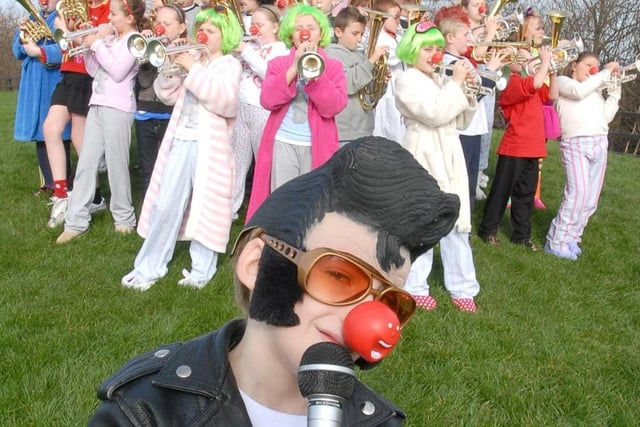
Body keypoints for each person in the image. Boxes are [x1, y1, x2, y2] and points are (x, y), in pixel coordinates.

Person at [87, 136, 460, 425]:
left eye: (387, 301)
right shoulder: (145, 411)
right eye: (339, 274)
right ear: (257, 264)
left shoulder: (376, 422)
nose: (365, 320)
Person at [120, 5, 243, 290]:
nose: (203, 35)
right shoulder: (196, 58)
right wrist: (169, 68)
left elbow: (225, 102)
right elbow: (167, 96)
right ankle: (149, 266)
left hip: (209, 148)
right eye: (200, 29)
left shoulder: (230, 65)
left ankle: (201, 270)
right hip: (182, 139)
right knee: (165, 203)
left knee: (206, 207)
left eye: (210, 31)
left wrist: (192, 67)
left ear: (224, 35)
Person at [394, 21, 481, 312]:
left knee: (457, 223)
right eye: (427, 49)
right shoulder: (406, 81)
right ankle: (415, 284)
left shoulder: (439, 80)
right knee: (425, 222)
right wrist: (456, 85)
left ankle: (464, 286)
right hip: (424, 152)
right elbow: (434, 114)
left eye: (437, 49)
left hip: (450, 151)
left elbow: (460, 121)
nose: (434, 55)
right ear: (412, 50)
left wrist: (469, 94)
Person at [246, 4, 347, 220]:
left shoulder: (334, 67)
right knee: (282, 203)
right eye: (299, 27)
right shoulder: (278, 64)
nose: (305, 32)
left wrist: (316, 78)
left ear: (321, 33)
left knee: (313, 206)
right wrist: (293, 69)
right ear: (291, 34)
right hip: (283, 142)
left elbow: (333, 107)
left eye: (311, 27)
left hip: (317, 145)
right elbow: (268, 100)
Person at [56, 0, 145, 244]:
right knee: (86, 163)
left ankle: (124, 218)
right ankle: (75, 221)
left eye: (114, 14)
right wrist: (88, 48)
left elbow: (118, 72)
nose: (110, 18)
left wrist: (96, 42)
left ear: (129, 18)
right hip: (97, 103)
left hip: (119, 108)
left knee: (117, 164)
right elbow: (96, 70)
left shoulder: (134, 41)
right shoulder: (111, 39)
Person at [477, 20, 559, 251]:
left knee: (525, 194)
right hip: (515, 146)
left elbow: (552, 94)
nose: (524, 62)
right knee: (501, 192)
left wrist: (553, 70)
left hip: (534, 146)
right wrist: (542, 63)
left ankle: (521, 235)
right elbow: (532, 83)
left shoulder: (532, 80)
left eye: (525, 58)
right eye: (519, 59)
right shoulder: (512, 83)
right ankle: (488, 229)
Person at [545, 53, 621, 260]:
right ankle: (556, 241)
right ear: (574, 66)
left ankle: (572, 237)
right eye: (588, 65)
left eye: (596, 67)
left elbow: (605, 117)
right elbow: (578, 92)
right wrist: (605, 72)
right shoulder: (563, 82)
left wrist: (615, 90)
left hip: (599, 142)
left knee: (590, 200)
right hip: (575, 143)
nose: (592, 70)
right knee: (577, 194)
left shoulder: (595, 89)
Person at [44, 0, 112, 228]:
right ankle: (61, 194)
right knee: (51, 128)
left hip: (88, 76)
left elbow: (96, 43)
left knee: (79, 137)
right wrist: (61, 28)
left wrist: (68, 31)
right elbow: (65, 46)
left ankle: (93, 196)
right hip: (69, 73)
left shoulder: (108, 7)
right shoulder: (73, 4)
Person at [435, 5, 503, 213]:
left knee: (470, 183)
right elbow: (472, 95)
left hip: (474, 129)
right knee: (460, 183)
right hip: (462, 131)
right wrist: (490, 73)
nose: (469, 39)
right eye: (465, 34)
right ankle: (455, 224)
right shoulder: (449, 64)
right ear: (449, 38)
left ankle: (465, 226)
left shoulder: (463, 60)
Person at [231, 4, 288, 218]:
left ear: (274, 27)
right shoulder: (251, 45)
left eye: (260, 25)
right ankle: (230, 209)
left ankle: (266, 210)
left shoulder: (280, 49)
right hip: (242, 106)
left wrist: (245, 52)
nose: (254, 29)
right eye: (252, 24)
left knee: (264, 163)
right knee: (237, 161)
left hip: (262, 110)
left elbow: (270, 75)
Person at [12, 0, 71, 197]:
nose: (43, 1)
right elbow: (17, 52)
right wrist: (23, 37)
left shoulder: (64, 17)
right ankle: (48, 182)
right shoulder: (31, 18)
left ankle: (64, 183)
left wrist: (40, 51)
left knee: (58, 135)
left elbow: (66, 48)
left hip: (52, 81)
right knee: (39, 134)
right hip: (33, 82)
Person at [133, 3, 188, 200]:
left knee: (170, 168)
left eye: (167, 23)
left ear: (181, 28)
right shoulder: (152, 44)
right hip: (145, 112)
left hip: (171, 114)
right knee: (148, 168)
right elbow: (144, 81)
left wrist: (170, 57)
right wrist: (148, 54)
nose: (161, 27)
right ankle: (148, 218)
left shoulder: (187, 50)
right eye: (158, 22)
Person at [326, 6, 388, 145]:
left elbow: (372, 95)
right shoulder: (332, 54)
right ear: (338, 32)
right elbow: (347, 84)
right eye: (355, 33)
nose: (359, 39)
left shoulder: (361, 57)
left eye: (361, 34)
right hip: (343, 132)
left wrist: (381, 80)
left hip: (365, 129)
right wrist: (371, 61)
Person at [371, 0, 405, 144]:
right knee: (388, 131)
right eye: (395, 17)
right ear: (383, 18)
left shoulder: (398, 35)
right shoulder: (378, 37)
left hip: (400, 88)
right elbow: (394, 56)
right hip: (387, 90)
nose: (399, 21)